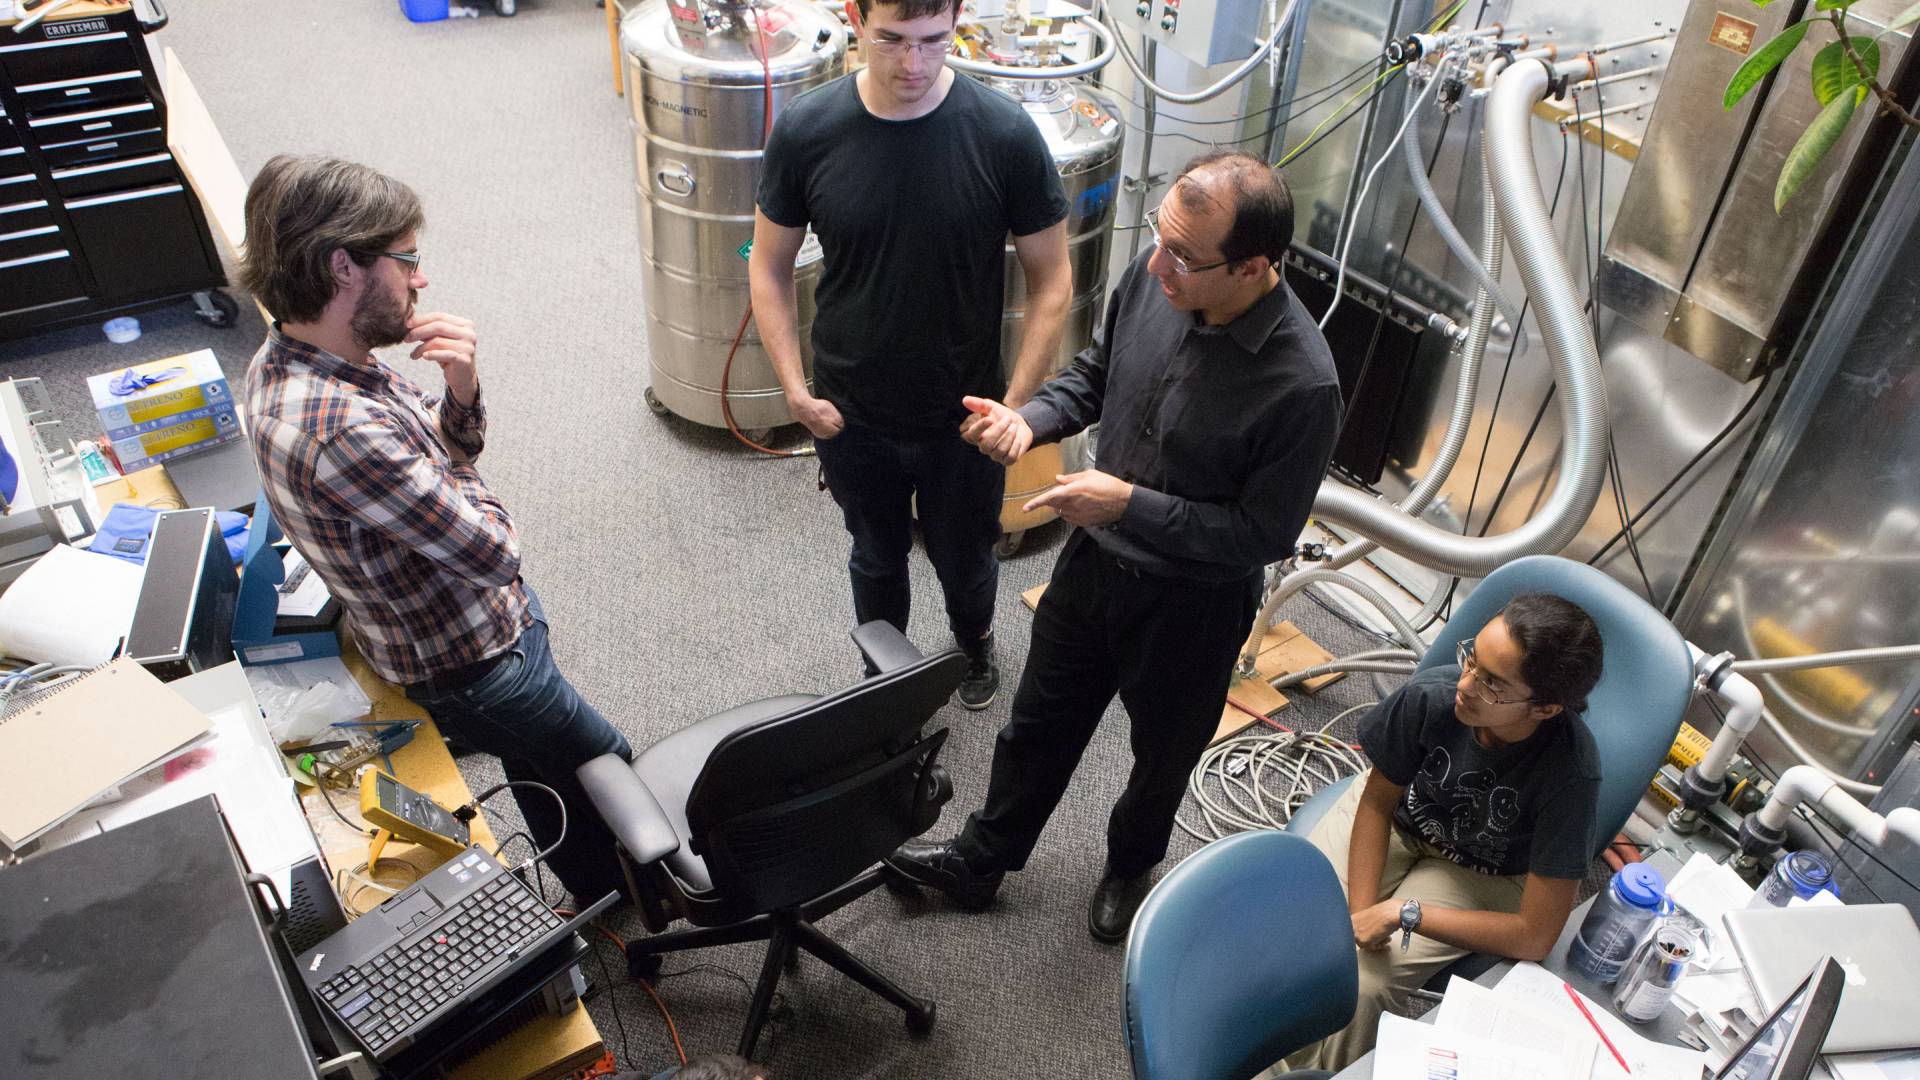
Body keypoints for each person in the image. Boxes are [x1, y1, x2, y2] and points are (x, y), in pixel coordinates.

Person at [885, 151, 1343, 942]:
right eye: (1160, 237)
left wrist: (1128, 502)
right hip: (1095, 563)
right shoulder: (1158, 275)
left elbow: (1259, 534)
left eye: (1184, 257)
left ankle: (1131, 867)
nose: (1158, 264)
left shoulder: (1304, 386)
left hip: (1192, 606)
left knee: (1161, 757)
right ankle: (982, 859)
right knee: (1036, 724)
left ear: (1253, 266)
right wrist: (1030, 420)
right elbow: (1097, 373)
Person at [238, 154, 631, 904]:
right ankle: (651, 893)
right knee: (608, 762)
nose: (421, 281)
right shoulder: (338, 427)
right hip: (477, 664)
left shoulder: (308, 356)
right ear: (344, 266)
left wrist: (461, 387)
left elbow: (441, 447)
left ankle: (603, 890)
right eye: (408, 261)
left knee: (541, 768)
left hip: (468, 626)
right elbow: (496, 553)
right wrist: (455, 473)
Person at [749, 0, 1073, 710]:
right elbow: (767, 266)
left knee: (966, 558)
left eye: (933, 41)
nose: (913, 63)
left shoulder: (1004, 134)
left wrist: (1015, 407)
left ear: (957, 19)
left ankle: (974, 642)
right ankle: (885, 671)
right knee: (874, 555)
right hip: (850, 412)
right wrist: (794, 391)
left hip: (965, 418)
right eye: (891, 39)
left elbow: (1054, 281)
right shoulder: (808, 129)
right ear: (855, 16)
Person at [1285, 593, 1606, 1072]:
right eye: (1471, 659)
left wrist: (1401, 913)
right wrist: (1361, 915)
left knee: (1366, 985)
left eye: (1493, 683)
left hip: (1485, 870)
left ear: (1544, 709)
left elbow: (1536, 935)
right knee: (1302, 926)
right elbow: (1376, 803)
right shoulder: (1431, 696)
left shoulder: (1571, 774)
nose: (1466, 684)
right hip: (1398, 821)